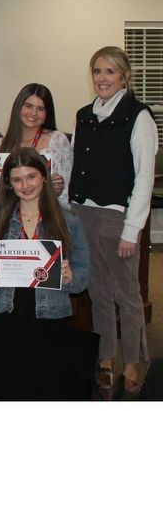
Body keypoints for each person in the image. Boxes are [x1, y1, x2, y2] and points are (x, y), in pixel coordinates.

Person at [69, 45, 158, 397]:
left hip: (117, 218)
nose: (102, 78)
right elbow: (77, 163)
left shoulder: (139, 117)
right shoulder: (84, 114)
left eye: (110, 71)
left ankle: (134, 359)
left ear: (124, 76)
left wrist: (132, 230)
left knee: (127, 293)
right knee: (99, 291)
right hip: (83, 214)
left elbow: (145, 179)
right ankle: (107, 354)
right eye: (97, 71)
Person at [0, 149, 93, 399]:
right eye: (17, 179)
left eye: (31, 176)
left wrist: (70, 277)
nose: (26, 185)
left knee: (46, 388)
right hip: (8, 315)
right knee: (9, 389)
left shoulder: (69, 221)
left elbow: (84, 271)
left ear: (44, 176)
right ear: (9, 185)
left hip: (50, 317)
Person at [0, 83, 72, 218]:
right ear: (18, 107)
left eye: (40, 108)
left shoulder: (58, 141)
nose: (33, 113)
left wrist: (57, 191)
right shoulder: (1, 145)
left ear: (47, 113)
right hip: (9, 221)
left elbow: (67, 198)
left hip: (47, 221)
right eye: (28, 106)